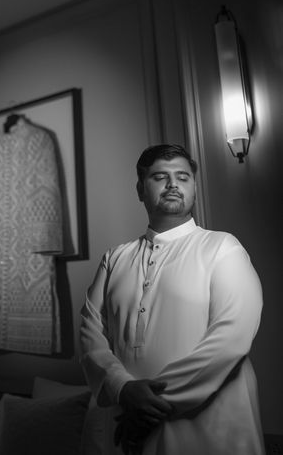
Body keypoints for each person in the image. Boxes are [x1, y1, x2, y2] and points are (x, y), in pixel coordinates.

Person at [80, 144, 264, 455]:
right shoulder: (115, 258)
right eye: (159, 177)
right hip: (127, 424)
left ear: (194, 188)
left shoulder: (222, 248)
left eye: (182, 177)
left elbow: (231, 338)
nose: (172, 184)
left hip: (211, 425)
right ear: (140, 189)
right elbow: (90, 333)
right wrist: (121, 387)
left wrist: (148, 407)